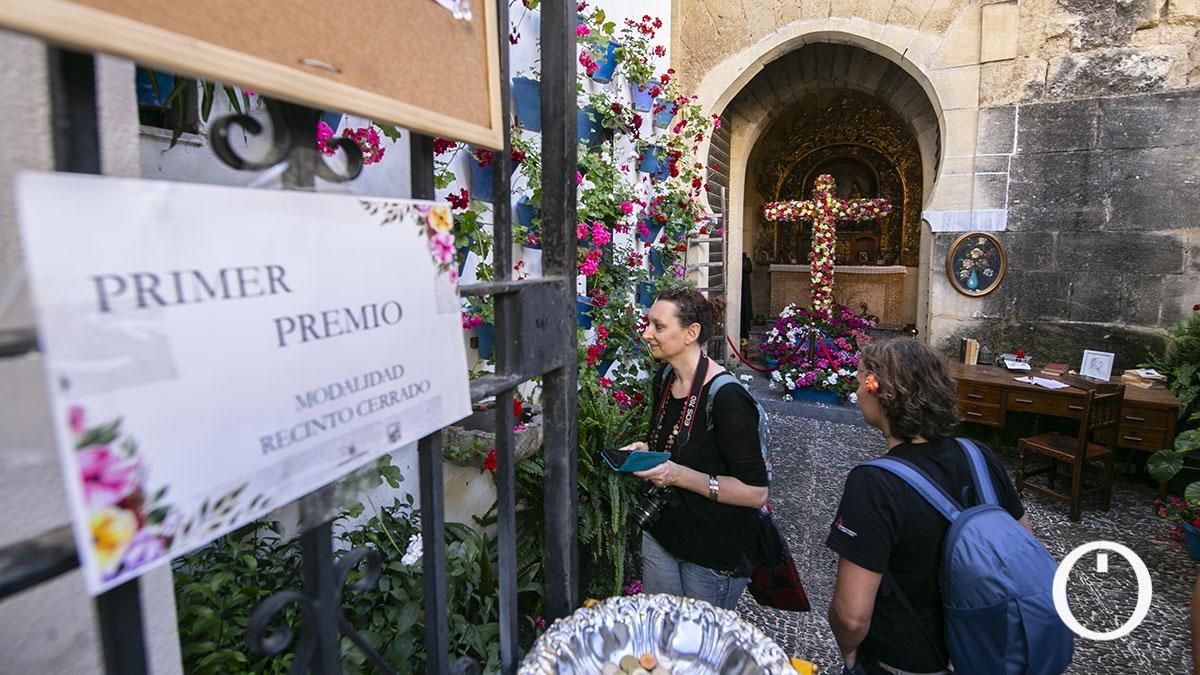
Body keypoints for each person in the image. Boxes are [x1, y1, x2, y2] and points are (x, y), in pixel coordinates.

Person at [827, 338, 1032, 675]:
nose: (858, 390)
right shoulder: (979, 456)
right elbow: (1023, 543)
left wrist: (850, 654)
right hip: (983, 651)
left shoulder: (874, 484)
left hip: (907, 660)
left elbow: (852, 615)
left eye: (861, 379)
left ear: (879, 390)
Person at [619, 286, 769, 610]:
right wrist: (649, 449)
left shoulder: (727, 398)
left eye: (658, 326)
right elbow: (680, 442)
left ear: (691, 333)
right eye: (648, 324)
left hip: (712, 550)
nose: (647, 334)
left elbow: (756, 492)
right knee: (663, 634)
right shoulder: (665, 378)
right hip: (663, 535)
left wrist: (677, 475)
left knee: (696, 650)